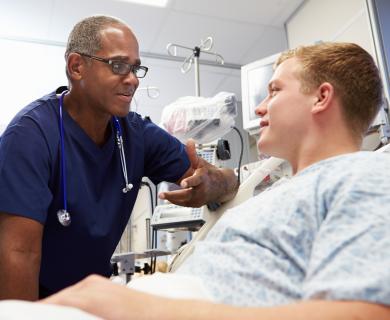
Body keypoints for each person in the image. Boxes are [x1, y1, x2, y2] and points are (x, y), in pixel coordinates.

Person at [40, 42, 390, 320]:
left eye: (275, 90)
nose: (259, 107)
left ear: (322, 97)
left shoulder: (363, 177)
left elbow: (363, 313)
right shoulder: (278, 190)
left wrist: (151, 309)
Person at [0, 15, 238, 301]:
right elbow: (18, 255)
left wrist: (214, 184)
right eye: (118, 65)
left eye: (136, 68)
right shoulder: (30, 135)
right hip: (31, 296)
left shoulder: (137, 134)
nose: (133, 79)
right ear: (77, 67)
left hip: (89, 293)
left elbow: (220, 178)